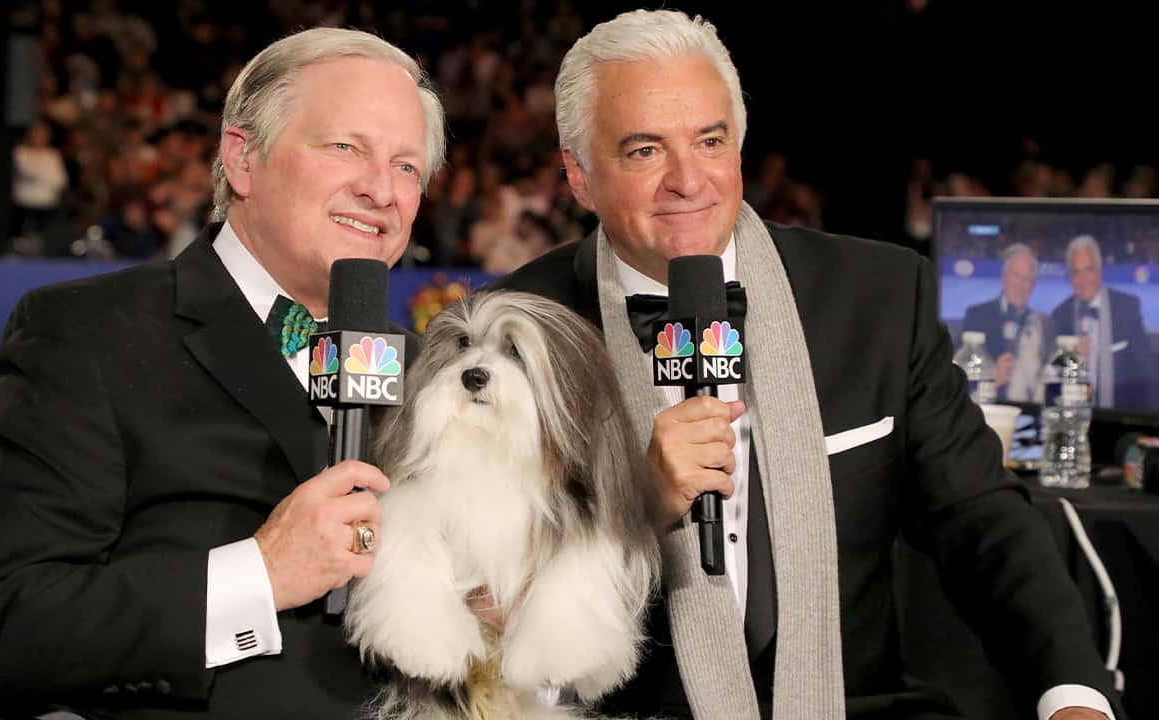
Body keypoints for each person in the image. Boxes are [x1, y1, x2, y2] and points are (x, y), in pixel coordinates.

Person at [494, 10, 1120, 720]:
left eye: (710, 140)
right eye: (643, 151)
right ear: (579, 176)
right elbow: (487, 591)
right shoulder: (511, 331)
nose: (687, 179)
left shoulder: (881, 297)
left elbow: (978, 516)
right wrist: (632, 507)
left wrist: (1072, 693)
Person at [0, 27, 445, 718]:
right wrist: (259, 574)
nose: (382, 189)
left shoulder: (431, 372)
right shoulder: (86, 335)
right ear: (243, 159)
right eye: (346, 147)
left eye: (407, 166)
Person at [1052, 234, 1156, 410]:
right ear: (1070, 276)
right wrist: (1072, 361)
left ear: (1099, 271)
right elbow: (1054, 385)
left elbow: (1148, 374)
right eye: (1076, 272)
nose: (1083, 279)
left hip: (1120, 418)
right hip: (1073, 419)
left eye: (1089, 269)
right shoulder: (1060, 316)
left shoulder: (1127, 308)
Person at [961, 243, 1055, 401]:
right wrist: (991, 379)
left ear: (1033, 285)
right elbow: (957, 381)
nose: (1021, 285)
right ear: (1004, 277)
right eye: (1016, 275)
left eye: (1027, 279)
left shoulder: (1043, 325)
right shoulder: (976, 316)